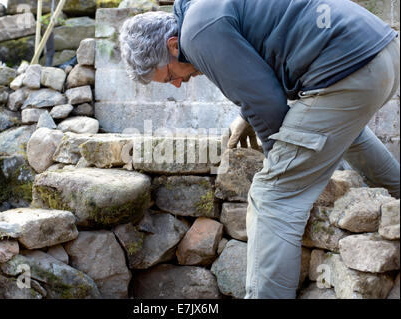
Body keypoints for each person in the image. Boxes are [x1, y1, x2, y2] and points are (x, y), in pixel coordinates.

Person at [119, 0, 400, 298]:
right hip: (381, 52)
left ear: (173, 45)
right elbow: (264, 62)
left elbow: (267, 105)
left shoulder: (197, 32)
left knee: (273, 196)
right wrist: (246, 117)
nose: (177, 84)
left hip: (349, 67)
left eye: (170, 75)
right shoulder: (205, 10)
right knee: (344, 132)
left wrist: (280, 162)